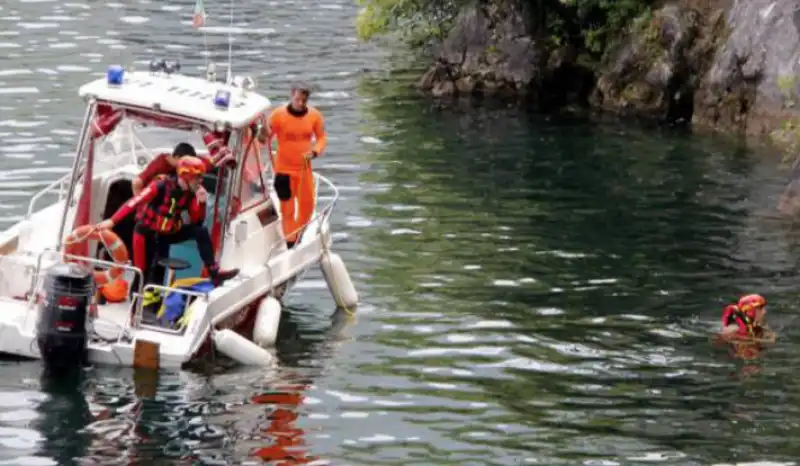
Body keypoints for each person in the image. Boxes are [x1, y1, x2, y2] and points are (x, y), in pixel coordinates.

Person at [96, 157, 239, 304]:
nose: (200, 181)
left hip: (167, 233)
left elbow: (196, 219)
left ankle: (213, 271)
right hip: (146, 233)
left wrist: (200, 203)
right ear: (187, 176)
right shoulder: (160, 185)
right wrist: (112, 221)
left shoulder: (190, 193)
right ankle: (136, 309)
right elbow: (134, 202)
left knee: (200, 231)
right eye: (198, 177)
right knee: (142, 273)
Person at [260, 83, 328, 248]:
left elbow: (322, 138)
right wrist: (262, 131)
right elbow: (264, 139)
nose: (300, 103)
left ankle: (298, 232)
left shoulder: (315, 116)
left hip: (304, 167)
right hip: (284, 169)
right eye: (297, 99)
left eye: (303, 101)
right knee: (287, 208)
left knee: (308, 206)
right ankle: (291, 242)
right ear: (291, 95)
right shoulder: (278, 115)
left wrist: (315, 151)